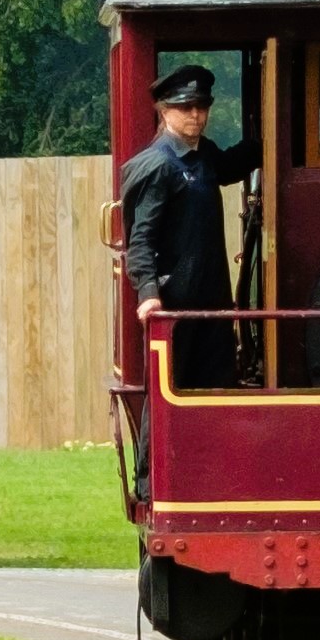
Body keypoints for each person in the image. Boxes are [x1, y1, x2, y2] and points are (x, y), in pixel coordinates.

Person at [121, 64, 259, 395]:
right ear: (164, 111)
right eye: (185, 107)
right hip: (175, 301)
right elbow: (140, 238)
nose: (195, 115)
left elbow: (228, 166)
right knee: (168, 395)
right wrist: (149, 293)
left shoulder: (204, 154)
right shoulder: (158, 165)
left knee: (216, 389)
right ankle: (152, 451)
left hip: (212, 298)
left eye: (202, 106)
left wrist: (271, 139)